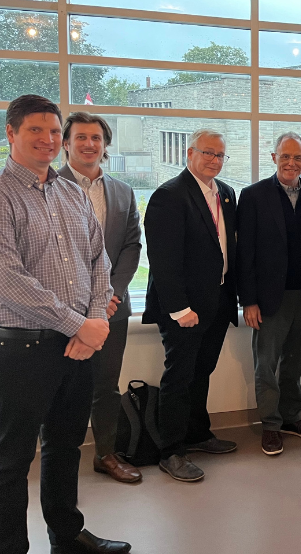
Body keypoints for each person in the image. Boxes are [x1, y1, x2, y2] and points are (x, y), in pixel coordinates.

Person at [0, 95, 130, 554]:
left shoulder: (71, 191)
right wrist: (78, 323)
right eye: (36, 130)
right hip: (22, 347)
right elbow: (6, 278)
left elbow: (99, 260)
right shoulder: (2, 193)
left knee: (66, 444)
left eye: (54, 131)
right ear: (11, 133)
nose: (48, 139)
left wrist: (92, 320)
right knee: (11, 460)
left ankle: (67, 533)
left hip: (77, 345)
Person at [144, 128, 239, 482]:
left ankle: (197, 434)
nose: (214, 160)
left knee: (202, 372)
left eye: (219, 155)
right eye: (208, 153)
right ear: (190, 153)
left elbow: (229, 249)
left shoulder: (226, 194)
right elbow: (163, 259)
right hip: (184, 309)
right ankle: (171, 451)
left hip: (217, 303)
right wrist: (179, 308)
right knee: (179, 377)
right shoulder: (169, 196)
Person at [59, 112, 142, 485]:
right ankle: (59, 458)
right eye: (81, 137)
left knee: (106, 385)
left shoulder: (123, 192)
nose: (89, 144)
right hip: (62, 311)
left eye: (96, 138)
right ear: (66, 144)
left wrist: (112, 294)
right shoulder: (47, 187)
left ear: (105, 146)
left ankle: (105, 454)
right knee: (60, 386)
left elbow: (131, 245)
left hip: (112, 308)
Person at [237, 133, 301, 457]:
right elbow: (244, 252)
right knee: (266, 366)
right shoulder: (254, 196)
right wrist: (248, 300)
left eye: (298, 158)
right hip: (268, 299)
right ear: (274, 158)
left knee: (294, 363)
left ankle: (291, 418)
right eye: (285, 156)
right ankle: (271, 426)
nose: (291, 163)